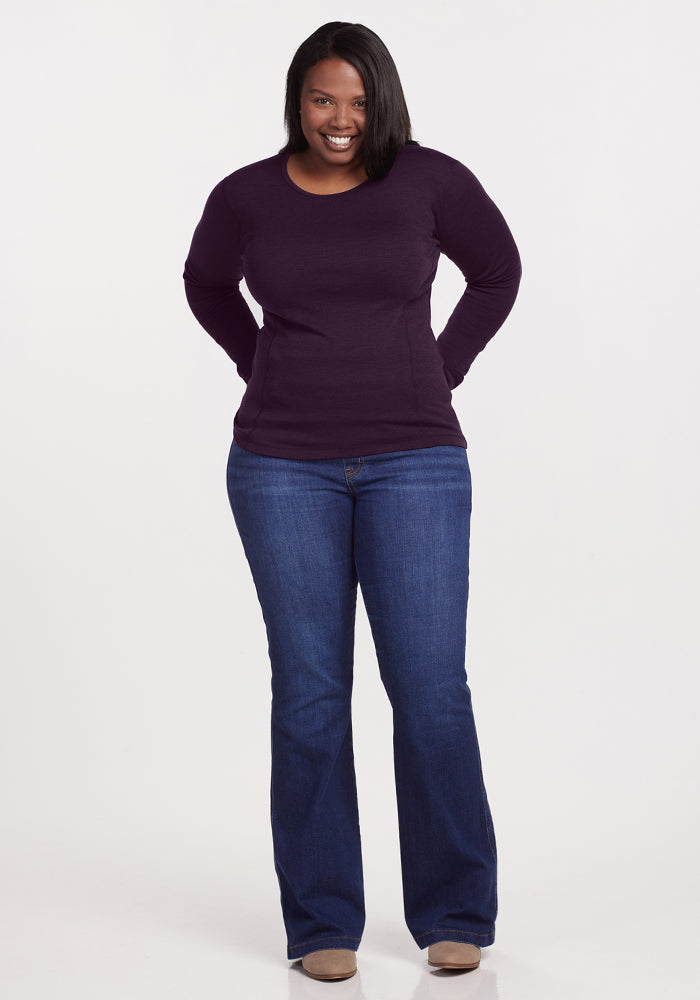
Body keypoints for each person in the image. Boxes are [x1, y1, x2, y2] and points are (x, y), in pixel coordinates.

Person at [183, 20, 521, 982]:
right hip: (280, 466)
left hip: (416, 460)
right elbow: (205, 285)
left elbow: (498, 273)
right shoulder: (245, 196)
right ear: (298, 98)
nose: (341, 120)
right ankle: (321, 920)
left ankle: (455, 909)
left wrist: (437, 372)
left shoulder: (428, 180)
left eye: (360, 102)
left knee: (428, 691)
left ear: (385, 103)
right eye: (324, 99)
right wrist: (265, 367)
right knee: (310, 696)